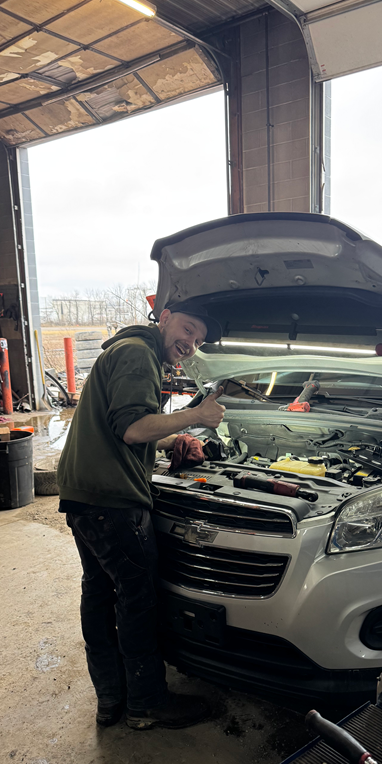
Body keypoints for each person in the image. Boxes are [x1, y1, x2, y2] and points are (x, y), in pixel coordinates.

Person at [57, 304, 225, 730]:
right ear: (164, 317)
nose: (190, 344)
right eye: (188, 329)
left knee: (98, 595)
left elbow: (122, 428)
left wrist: (170, 442)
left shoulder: (126, 347)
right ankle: (147, 703)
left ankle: (111, 699)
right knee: (137, 601)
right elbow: (133, 429)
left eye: (199, 341)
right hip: (113, 502)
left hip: (83, 495)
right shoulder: (138, 354)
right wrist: (198, 416)